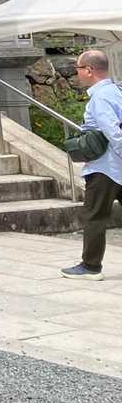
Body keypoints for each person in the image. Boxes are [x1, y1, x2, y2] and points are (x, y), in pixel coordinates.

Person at [62, 49, 122, 280]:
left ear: (89, 70)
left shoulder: (101, 97)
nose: (76, 73)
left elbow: (113, 132)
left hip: (105, 168)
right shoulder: (116, 91)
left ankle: (90, 266)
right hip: (115, 166)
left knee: (94, 216)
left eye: (78, 69)